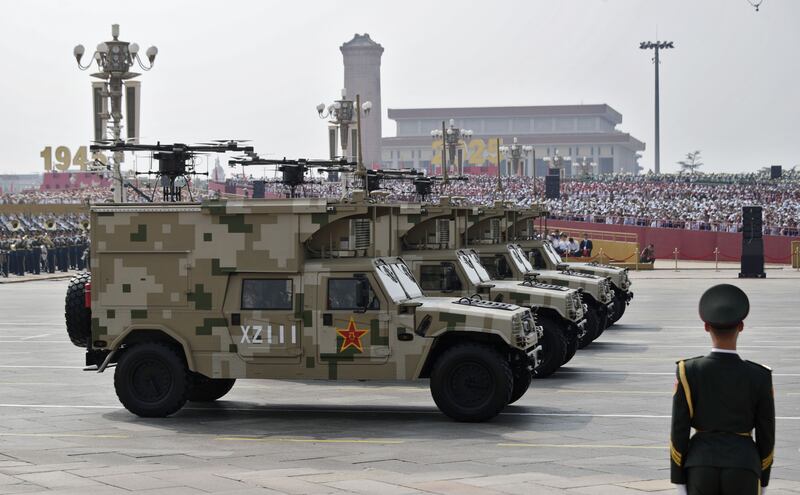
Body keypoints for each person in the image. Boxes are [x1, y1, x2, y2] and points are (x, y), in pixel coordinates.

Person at [671, 284, 774, 495]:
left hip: (700, 465)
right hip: (744, 465)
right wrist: (763, 479)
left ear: (706, 326)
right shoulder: (760, 375)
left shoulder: (688, 371)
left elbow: (679, 429)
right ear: (741, 326)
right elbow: (766, 433)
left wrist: (678, 480)